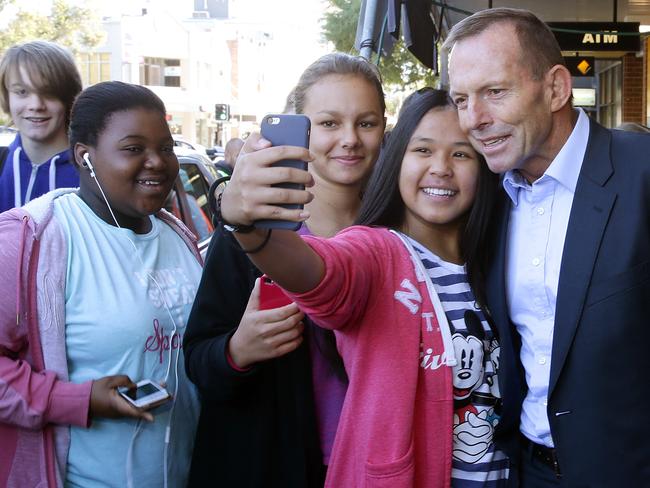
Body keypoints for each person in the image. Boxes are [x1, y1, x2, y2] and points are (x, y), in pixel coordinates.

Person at [218, 88, 504, 487]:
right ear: (396, 161)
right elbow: (318, 273)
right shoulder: (376, 252)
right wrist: (246, 225)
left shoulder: (503, 258)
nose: (441, 168)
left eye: (461, 154)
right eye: (422, 150)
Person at [443, 7, 650, 487]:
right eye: (461, 99)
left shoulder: (642, 173)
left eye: (495, 92)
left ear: (556, 88)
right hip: (528, 470)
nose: (474, 119)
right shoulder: (484, 197)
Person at [183, 52, 386, 487]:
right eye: (329, 123)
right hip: (273, 465)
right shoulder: (249, 232)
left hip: (374, 466)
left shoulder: (398, 229)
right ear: (300, 129)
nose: (349, 139)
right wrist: (238, 350)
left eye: (366, 122)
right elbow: (199, 362)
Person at [0, 81, 201, 487]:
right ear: (85, 157)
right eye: (133, 149)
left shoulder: (178, 235)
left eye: (165, 148)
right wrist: (78, 401)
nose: (157, 163)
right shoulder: (31, 238)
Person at [0, 40, 82, 212]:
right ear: (7, 97)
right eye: (22, 92)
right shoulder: (3, 163)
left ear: (69, 97)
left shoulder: (95, 176)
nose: (36, 105)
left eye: (49, 93)